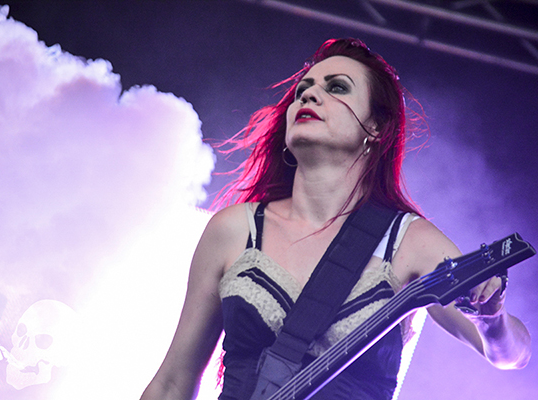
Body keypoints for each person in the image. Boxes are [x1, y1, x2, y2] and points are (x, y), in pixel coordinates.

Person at [140, 38, 531, 400]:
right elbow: (173, 381)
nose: (309, 94)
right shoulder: (233, 230)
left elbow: (512, 354)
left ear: (376, 127)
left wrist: (492, 319)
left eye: (337, 88)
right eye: (303, 89)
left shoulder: (410, 241)